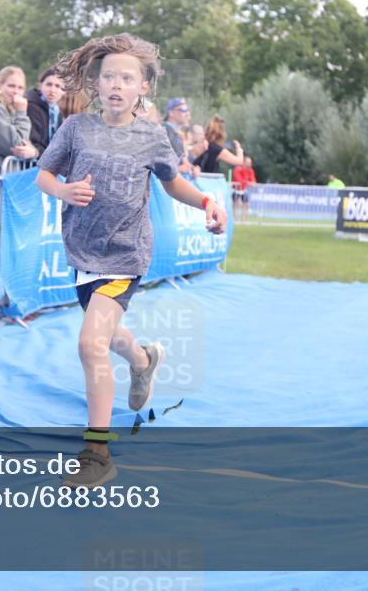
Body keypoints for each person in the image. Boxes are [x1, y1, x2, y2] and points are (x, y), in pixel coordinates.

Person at [35, 33, 227, 488]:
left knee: (89, 344)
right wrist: (62, 189)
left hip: (126, 253)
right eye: (108, 77)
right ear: (96, 84)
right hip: (82, 252)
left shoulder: (153, 136)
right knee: (108, 335)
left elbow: (172, 182)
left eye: (127, 78)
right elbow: (44, 173)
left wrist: (205, 203)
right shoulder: (76, 128)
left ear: (143, 87)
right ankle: (142, 360)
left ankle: (97, 453)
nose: (116, 85)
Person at [26, 67, 65, 155]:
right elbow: (34, 143)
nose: (52, 90)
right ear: (40, 85)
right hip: (34, 164)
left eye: (58, 86)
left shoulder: (57, 111)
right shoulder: (32, 107)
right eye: (49, 84)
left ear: (64, 91)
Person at [232, 155, 257, 221]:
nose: (250, 164)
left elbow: (253, 180)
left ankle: (244, 220)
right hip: (236, 189)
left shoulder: (250, 170)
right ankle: (234, 219)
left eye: (250, 163)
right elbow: (238, 180)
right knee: (235, 205)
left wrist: (251, 183)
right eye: (248, 162)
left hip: (243, 190)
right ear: (244, 162)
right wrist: (248, 183)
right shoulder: (237, 168)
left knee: (246, 204)